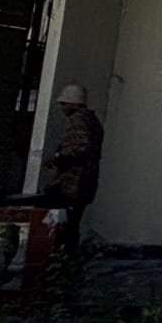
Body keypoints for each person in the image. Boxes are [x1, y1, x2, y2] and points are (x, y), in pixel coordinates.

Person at [40, 83, 105, 254]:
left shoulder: (78, 119)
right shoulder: (91, 120)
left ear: (73, 103)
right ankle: (67, 256)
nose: (62, 107)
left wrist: (58, 157)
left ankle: (60, 256)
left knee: (63, 221)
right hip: (85, 180)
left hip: (74, 181)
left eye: (64, 103)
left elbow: (81, 146)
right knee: (72, 222)